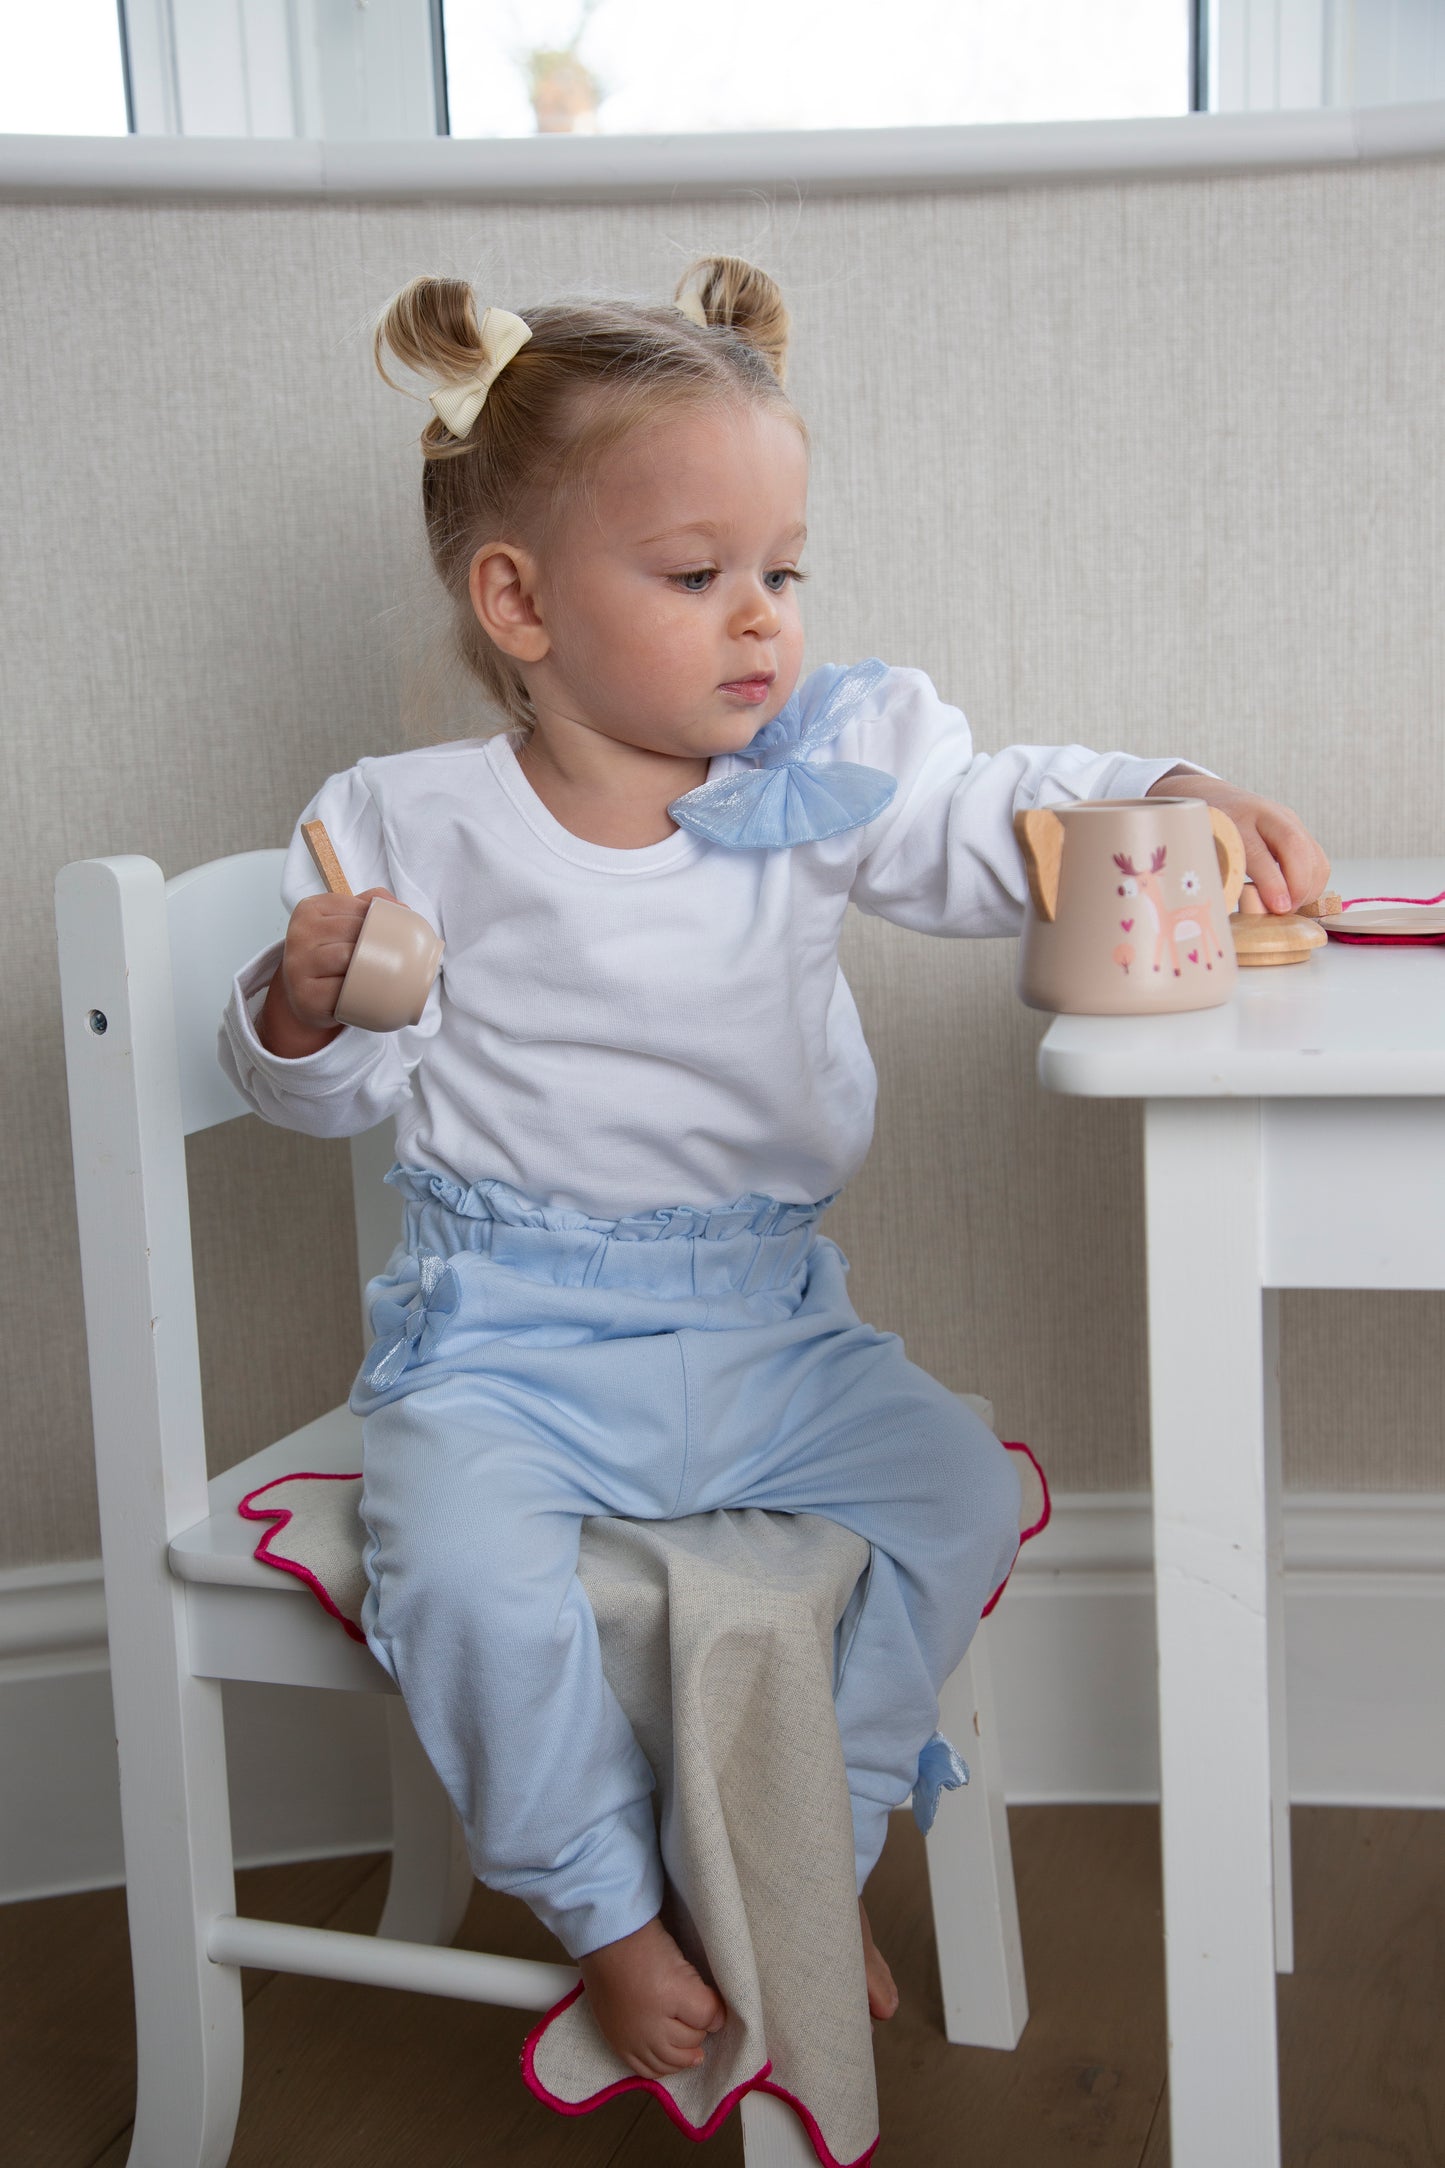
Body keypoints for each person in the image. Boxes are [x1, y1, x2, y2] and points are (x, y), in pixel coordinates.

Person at [220, 256, 1329, 2086]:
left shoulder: (822, 768)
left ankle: (819, 1822)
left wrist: (1170, 786)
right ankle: (603, 1908)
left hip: (765, 1320)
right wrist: (304, 1004)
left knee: (960, 1496)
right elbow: (329, 1101)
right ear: (518, 600)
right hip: (506, 1338)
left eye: (781, 571)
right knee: (468, 1580)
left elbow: (996, 821)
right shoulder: (410, 821)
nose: (761, 621)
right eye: (693, 575)